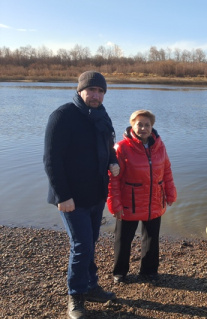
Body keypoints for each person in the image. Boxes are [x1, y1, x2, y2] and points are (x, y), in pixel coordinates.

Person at [44, 71, 119, 319]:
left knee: (90, 242)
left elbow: (108, 142)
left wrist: (113, 161)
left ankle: (91, 286)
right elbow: (51, 160)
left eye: (100, 91)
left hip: (96, 194)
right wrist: (63, 196)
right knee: (82, 245)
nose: (96, 95)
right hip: (71, 198)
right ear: (80, 91)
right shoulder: (63, 116)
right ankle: (75, 297)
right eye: (91, 90)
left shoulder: (101, 115)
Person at [107, 110, 177, 284]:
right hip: (129, 202)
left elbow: (166, 170)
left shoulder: (159, 146)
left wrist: (170, 192)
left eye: (147, 125)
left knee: (152, 239)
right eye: (139, 124)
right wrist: (114, 205)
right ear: (132, 125)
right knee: (123, 240)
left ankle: (149, 271)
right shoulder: (121, 148)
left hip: (154, 201)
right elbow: (113, 179)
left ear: (152, 127)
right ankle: (120, 272)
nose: (143, 128)